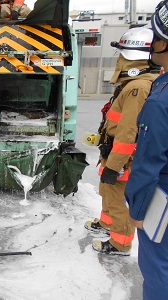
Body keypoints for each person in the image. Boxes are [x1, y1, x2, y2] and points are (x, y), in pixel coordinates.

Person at [84, 27, 160, 255]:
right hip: (113, 153)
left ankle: (120, 243)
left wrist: (115, 167)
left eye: (121, 53)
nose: (118, 59)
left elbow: (128, 134)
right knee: (108, 192)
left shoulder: (137, 88)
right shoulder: (134, 85)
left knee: (117, 199)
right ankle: (106, 223)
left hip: (123, 160)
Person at [125, 1, 168, 298]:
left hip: (163, 201)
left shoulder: (160, 100)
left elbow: (149, 160)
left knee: (159, 269)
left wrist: (138, 210)